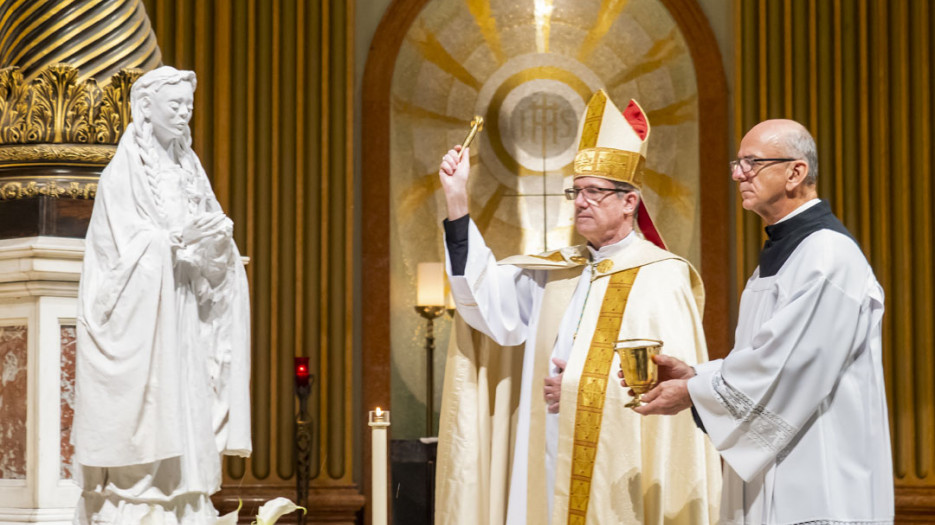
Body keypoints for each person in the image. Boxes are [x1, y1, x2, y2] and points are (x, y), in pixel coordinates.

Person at [434, 90, 721, 525]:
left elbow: (669, 386)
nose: (581, 201)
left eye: (595, 192)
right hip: (547, 454)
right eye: (576, 191)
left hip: (621, 467)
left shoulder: (662, 275)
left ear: (630, 202)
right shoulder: (557, 272)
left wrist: (579, 386)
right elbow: (488, 307)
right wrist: (457, 202)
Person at [631, 119, 894, 524]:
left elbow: (787, 367)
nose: (738, 174)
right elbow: (765, 354)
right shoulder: (784, 255)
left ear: (796, 172)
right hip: (777, 470)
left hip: (819, 472)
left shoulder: (827, 257)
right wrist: (695, 373)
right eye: (737, 163)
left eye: (752, 162)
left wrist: (694, 392)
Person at [73, 66, 252, 524]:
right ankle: (139, 497)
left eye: (188, 105)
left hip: (183, 310)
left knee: (187, 399)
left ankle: (184, 496)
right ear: (144, 109)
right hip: (146, 313)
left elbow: (209, 235)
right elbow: (115, 254)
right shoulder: (122, 174)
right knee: (153, 400)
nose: (183, 112)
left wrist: (218, 244)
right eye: (174, 104)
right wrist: (172, 242)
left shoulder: (189, 169)